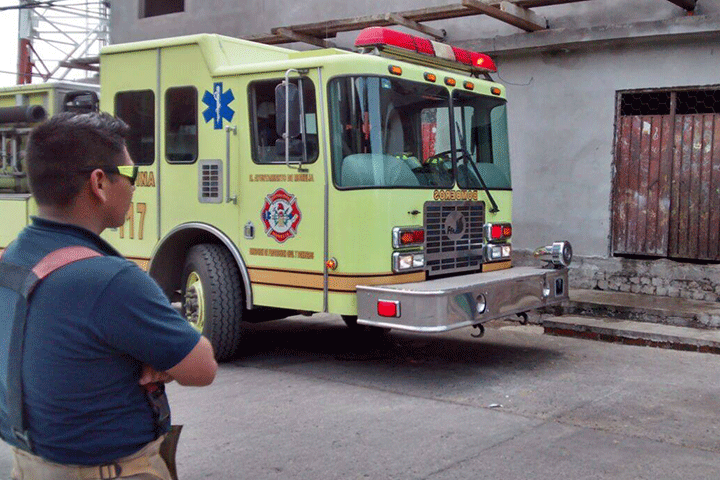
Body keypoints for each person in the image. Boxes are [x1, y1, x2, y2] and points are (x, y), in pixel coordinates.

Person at [0, 112, 217, 479]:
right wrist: (156, 359)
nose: (134, 186)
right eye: (131, 174)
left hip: (28, 465)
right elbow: (202, 368)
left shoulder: (15, 256)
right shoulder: (111, 281)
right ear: (99, 183)